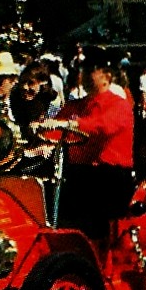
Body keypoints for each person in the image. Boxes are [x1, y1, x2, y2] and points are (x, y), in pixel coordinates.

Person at [41, 47, 135, 235]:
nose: (83, 75)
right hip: (78, 176)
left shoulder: (119, 105)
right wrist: (38, 131)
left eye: (90, 69)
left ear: (106, 76)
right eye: (82, 69)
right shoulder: (77, 105)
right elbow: (52, 131)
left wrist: (70, 124)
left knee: (97, 227)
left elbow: (103, 126)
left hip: (108, 179)